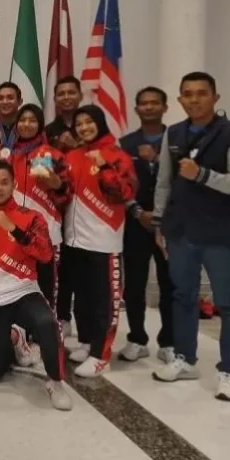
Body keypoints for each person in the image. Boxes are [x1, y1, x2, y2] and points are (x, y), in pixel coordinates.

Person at [152, 72, 230, 401]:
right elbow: (164, 182)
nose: (194, 99)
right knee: (183, 296)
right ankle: (185, 359)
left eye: (201, 93)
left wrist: (203, 175)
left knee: (228, 302)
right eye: (188, 94)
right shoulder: (174, 133)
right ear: (180, 99)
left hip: (218, 234)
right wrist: (159, 222)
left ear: (215, 97)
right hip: (180, 232)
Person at [0, 160, 72, 411]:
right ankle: (16, 337)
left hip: (23, 293)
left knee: (46, 322)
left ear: (14, 184)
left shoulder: (31, 217)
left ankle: (55, 382)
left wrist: (13, 229)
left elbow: (45, 254)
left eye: (4, 182)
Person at [46, 106, 136, 378]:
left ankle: (101, 355)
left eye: (89, 122)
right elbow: (64, 195)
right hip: (74, 241)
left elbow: (125, 192)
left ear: (100, 123)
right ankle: (87, 342)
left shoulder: (117, 155)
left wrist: (105, 165)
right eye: (79, 124)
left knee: (104, 302)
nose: (84, 128)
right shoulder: (72, 156)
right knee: (82, 299)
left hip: (104, 242)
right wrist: (55, 184)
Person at [118, 86, 174, 364]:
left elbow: (184, 180)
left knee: (170, 284)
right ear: (136, 109)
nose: (149, 107)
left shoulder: (177, 141)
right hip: (136, 224)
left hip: (171, 225)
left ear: (165, 107)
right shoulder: (126, 144)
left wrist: (157, 159)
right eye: (144, 103)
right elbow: (119, 183)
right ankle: (137, 339)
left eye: (155, 103)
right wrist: (137, 210)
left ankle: (169, 341)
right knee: (134, 285)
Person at [4, 104, 68, 308]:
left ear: (40, 125)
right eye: (22, 120)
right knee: (16, 286)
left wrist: (56, 183)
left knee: (46, 288)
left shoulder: (52, 154)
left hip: (46, 232)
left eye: (32, 120)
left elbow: (66, 194)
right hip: (14, 231)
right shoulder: (8, 155)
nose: (26, 124)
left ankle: (48, 326)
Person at [45, 76, 83, 151]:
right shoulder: (47, 131)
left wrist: (75, 145)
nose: (66, 97)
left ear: (81, 96)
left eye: (71, 93)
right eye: (61, 94)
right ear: (55, 100)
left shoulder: (92, 126)